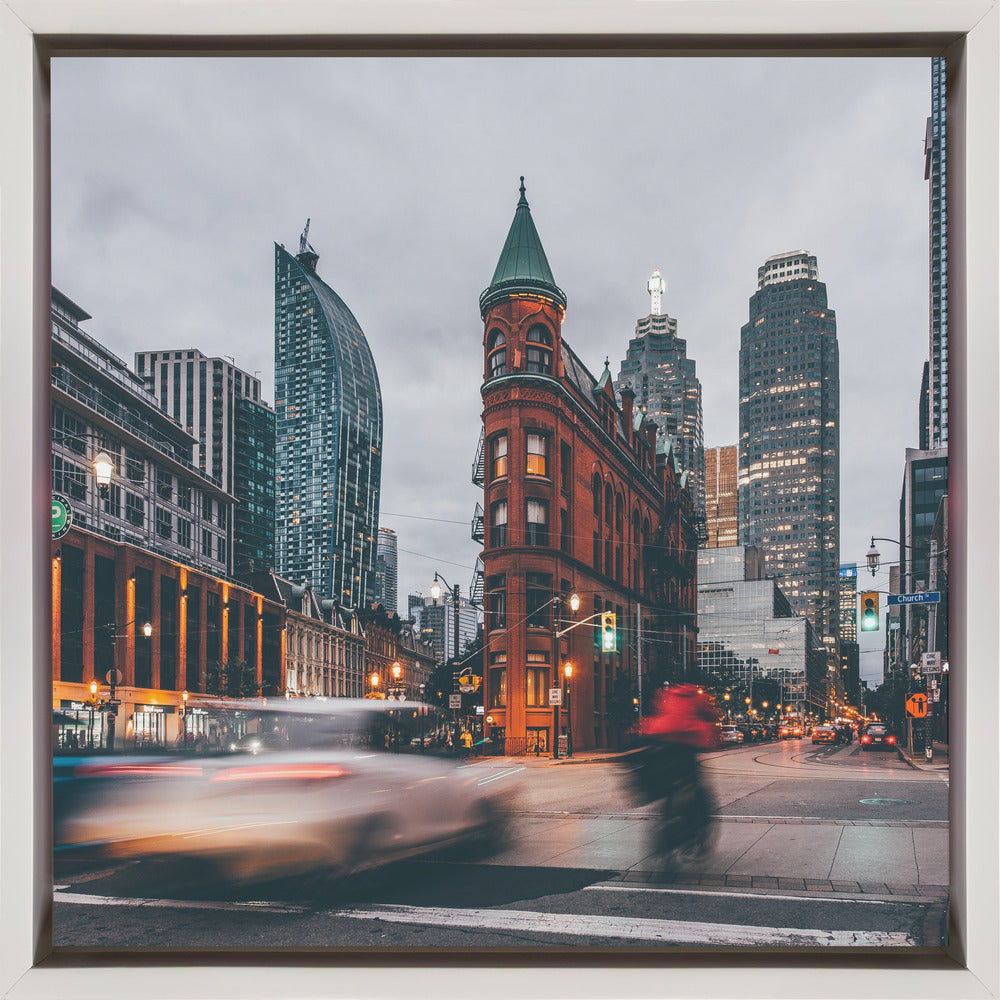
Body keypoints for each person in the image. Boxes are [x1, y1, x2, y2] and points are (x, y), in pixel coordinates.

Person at [630, 683, 719, 857]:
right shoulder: (697, 695)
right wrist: (712, 739)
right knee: (696, 789)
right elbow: (709, 718)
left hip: (661, 743)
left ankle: (666, 818)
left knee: (669, 788)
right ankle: (697, 828)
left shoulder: (667, 694)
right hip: (687, 746)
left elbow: (657, 712)